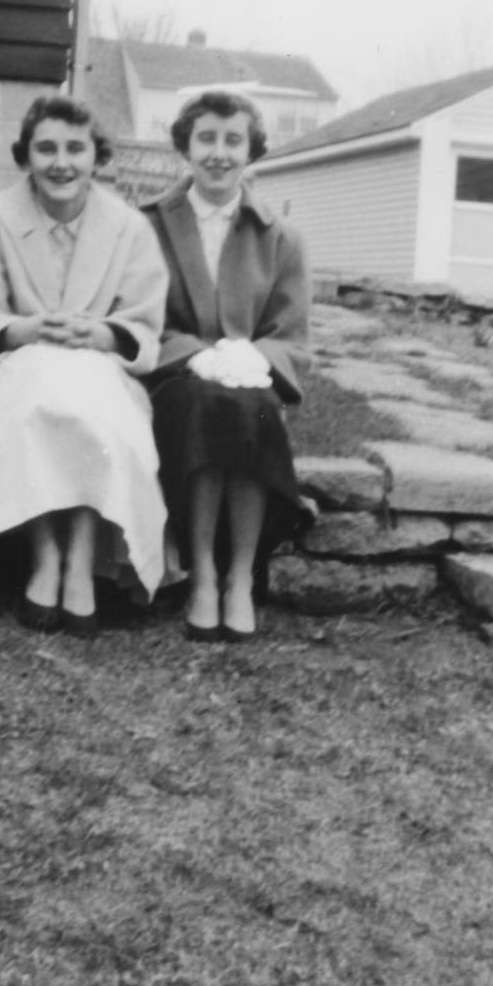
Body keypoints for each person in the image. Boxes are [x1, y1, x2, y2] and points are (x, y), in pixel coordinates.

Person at [0, 95, 168, 634]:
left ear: (97, 156)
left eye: (75, 149)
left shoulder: (129, 227)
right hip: (18, 363)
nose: (61, 162)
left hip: (100, 364)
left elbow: (144, 321)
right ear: (26, 156)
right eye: (46, 149)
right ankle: (44, 553)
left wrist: (102, 332)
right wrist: (24, 330)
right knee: (35, 402)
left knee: (96, 407)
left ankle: (82, 555)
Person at [142, 89, 311, 642]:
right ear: (185, 148)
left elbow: (291, 334)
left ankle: (240, 576)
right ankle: (203, 576)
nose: (219, 153)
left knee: (248, 407)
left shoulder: (280, 237)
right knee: (208, 403)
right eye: (206, 139)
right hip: (175, 382)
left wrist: (253, 356)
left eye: (232, 140)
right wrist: (195, 354)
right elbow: (138, 317)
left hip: (251, 383)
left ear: (251, 150)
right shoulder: (147, 225)